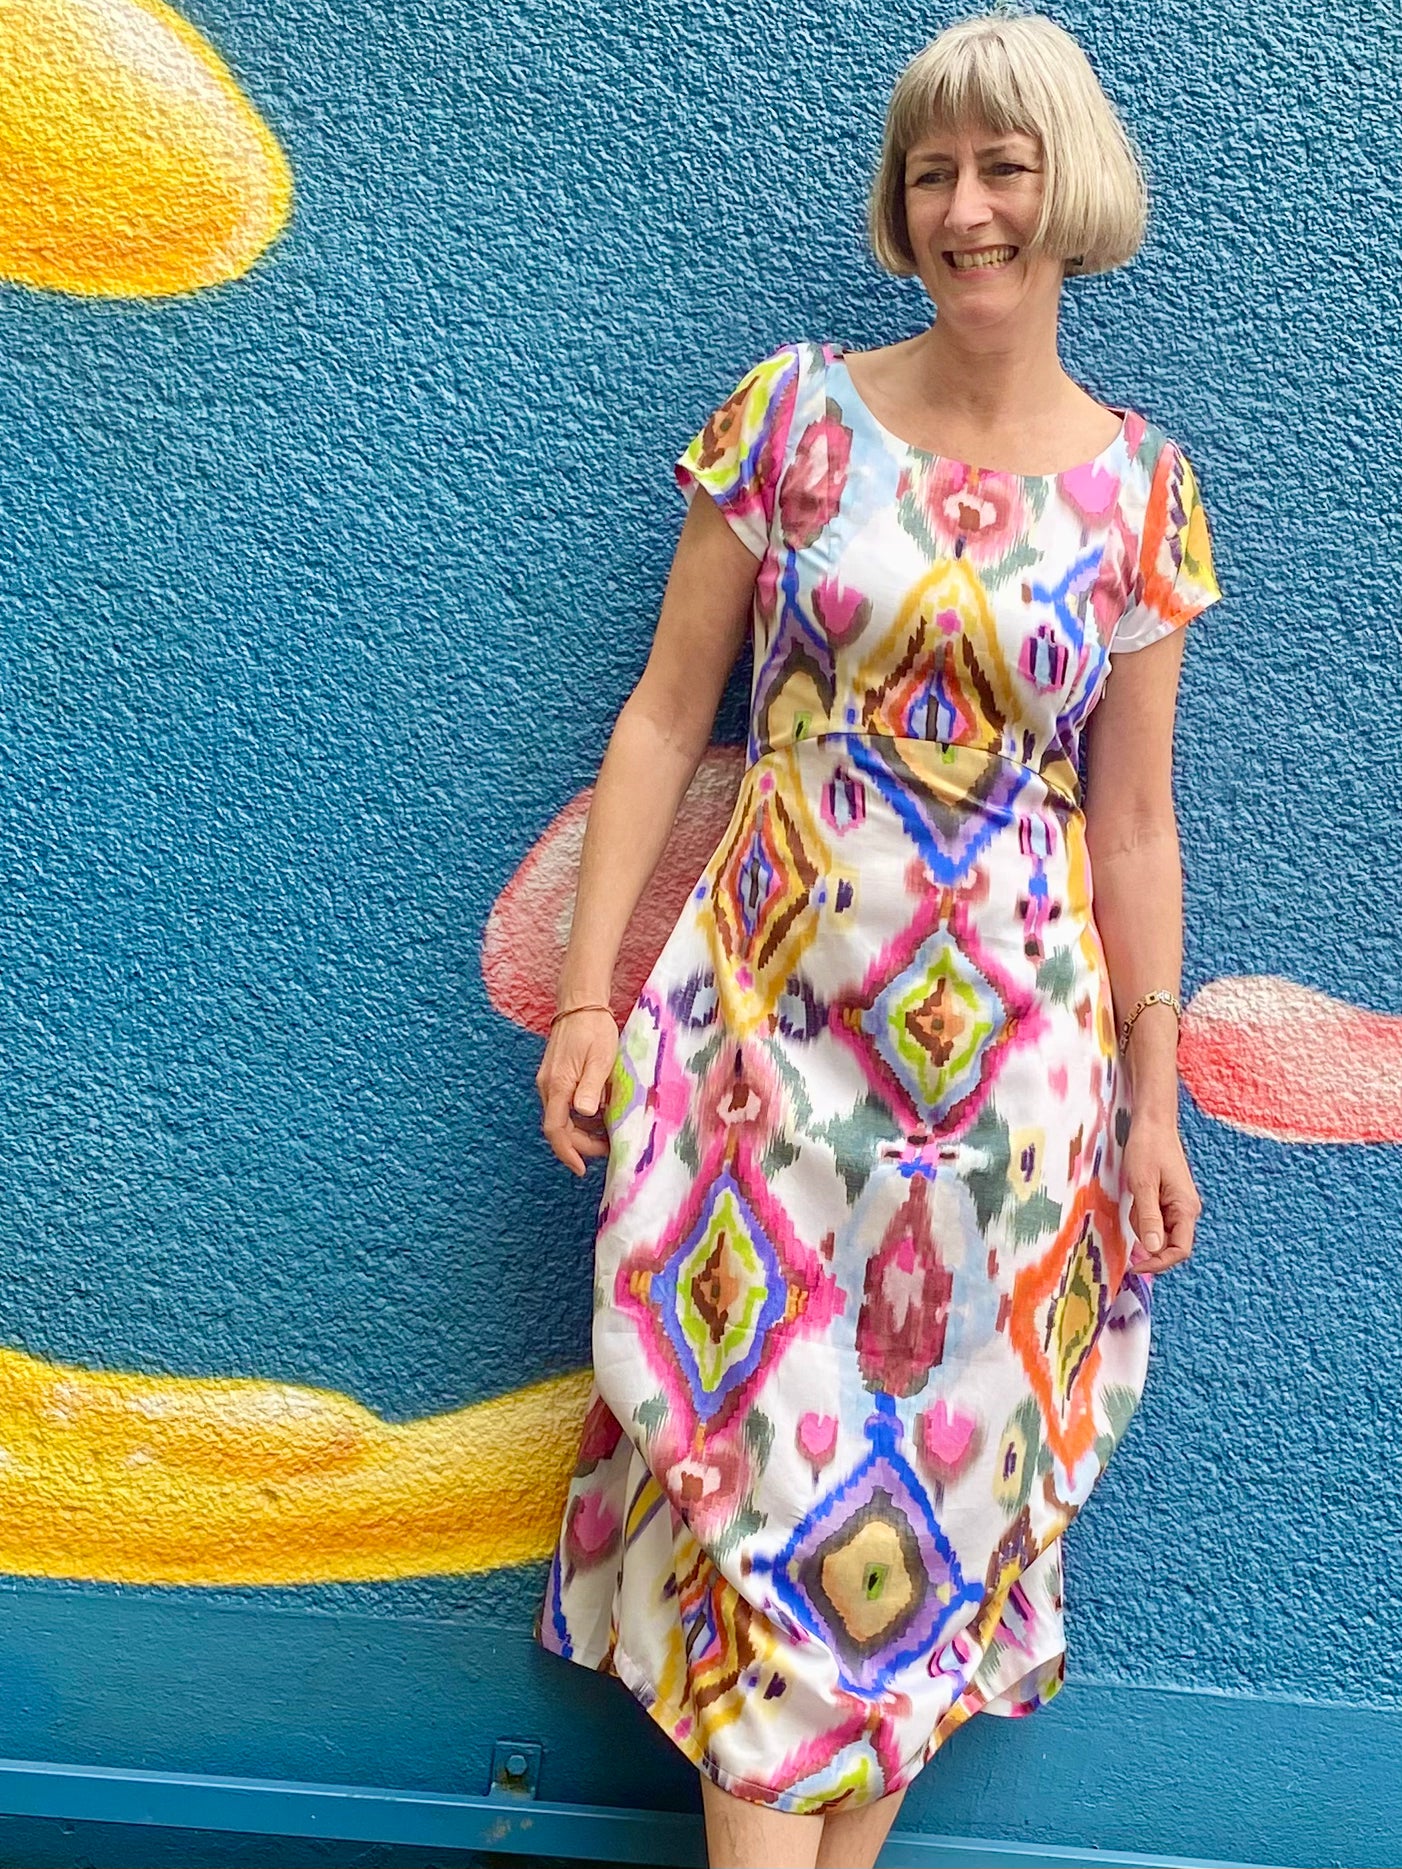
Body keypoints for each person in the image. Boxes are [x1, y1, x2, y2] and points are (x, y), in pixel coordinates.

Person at [532, 11, 1222, 1867]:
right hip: (763, 1060)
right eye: (932, 173)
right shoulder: (793, 418)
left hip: (1007, 1112)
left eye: (1001, 167)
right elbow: (664, 718)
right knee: (763, 1492)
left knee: (928, 1515)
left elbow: (1132, 825)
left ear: (1068, 194)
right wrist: (589, 996)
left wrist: (1151, 1101)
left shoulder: (1139, 494)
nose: (964, 208)